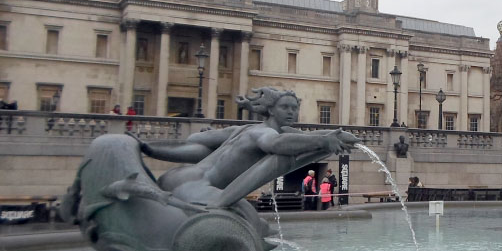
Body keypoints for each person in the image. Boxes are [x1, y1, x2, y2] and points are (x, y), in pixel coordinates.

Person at [134, 87, 358, 211]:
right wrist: (324, 142)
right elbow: (277, 145)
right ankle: (219, 205)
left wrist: (149, 149)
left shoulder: (243, 130)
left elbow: (196, 142)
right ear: (271, 110)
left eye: (294, 108)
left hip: (175, 177)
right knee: (251, 211)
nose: (291, 112)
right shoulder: (264, 134)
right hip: (197, 190)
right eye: (285, 107)